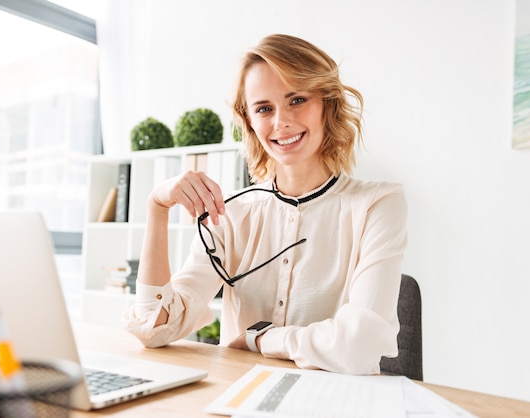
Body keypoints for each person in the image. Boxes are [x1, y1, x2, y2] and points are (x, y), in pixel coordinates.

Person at [123, 33, 407, 375]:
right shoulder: (230, 213)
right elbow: (156, 327)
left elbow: (358, 346)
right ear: (250, 121)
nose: (280, 122)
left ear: (327, 104)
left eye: (297, 99)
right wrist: (157, 207)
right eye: (264, 109)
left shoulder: (378, 204)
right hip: (239, 400)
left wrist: (262, 339)